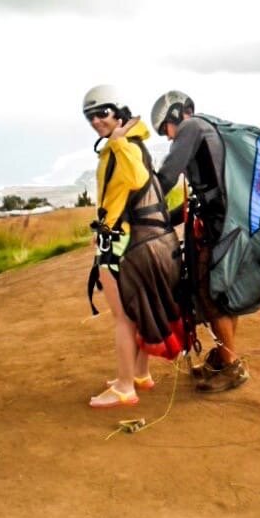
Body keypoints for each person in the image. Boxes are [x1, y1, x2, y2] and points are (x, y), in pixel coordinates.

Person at [83, 85, 183, 409]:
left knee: (123, 318)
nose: (96, 121)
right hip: (134, 238)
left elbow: (137, 179)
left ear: (119, 112)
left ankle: (125, 387)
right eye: (89, 116)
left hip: (120, 242)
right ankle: (139, 373)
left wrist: (117, 143)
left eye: (102, 113)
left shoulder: (124, 147)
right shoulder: (132, 144)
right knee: (136, 311)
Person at [151, 90, 250, 394]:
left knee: (212, 295)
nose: (169, 137)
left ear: (176, 114)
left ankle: (232, 367)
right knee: (222, 295)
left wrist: (140, 206)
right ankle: (223, 356)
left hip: (219, 229)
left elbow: (166, 177)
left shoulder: (191, 127)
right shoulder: (207, 129)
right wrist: (163, 218)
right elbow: (197, 200)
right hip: (227, 224)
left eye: (165, 129)